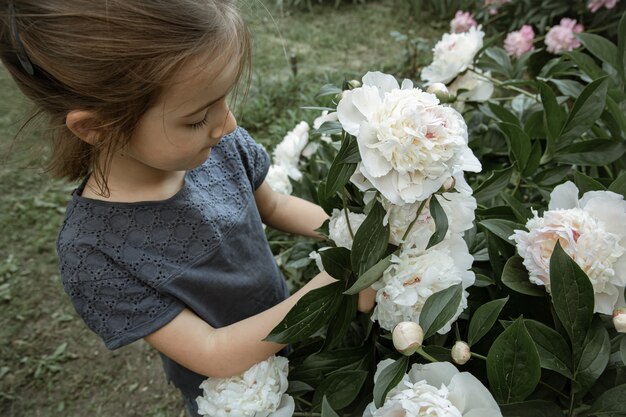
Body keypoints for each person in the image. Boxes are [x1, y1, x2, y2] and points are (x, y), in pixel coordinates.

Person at [0, 1, 376, 415]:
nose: (228, 123)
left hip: (290, 328)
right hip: (235, 396)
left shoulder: (221, 147)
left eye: (224, 100)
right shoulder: (95, 253)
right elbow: (213, 352)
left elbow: (275, 205)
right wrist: (331, 281)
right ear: (97, 128)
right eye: (197, 117)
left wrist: (356, 238)